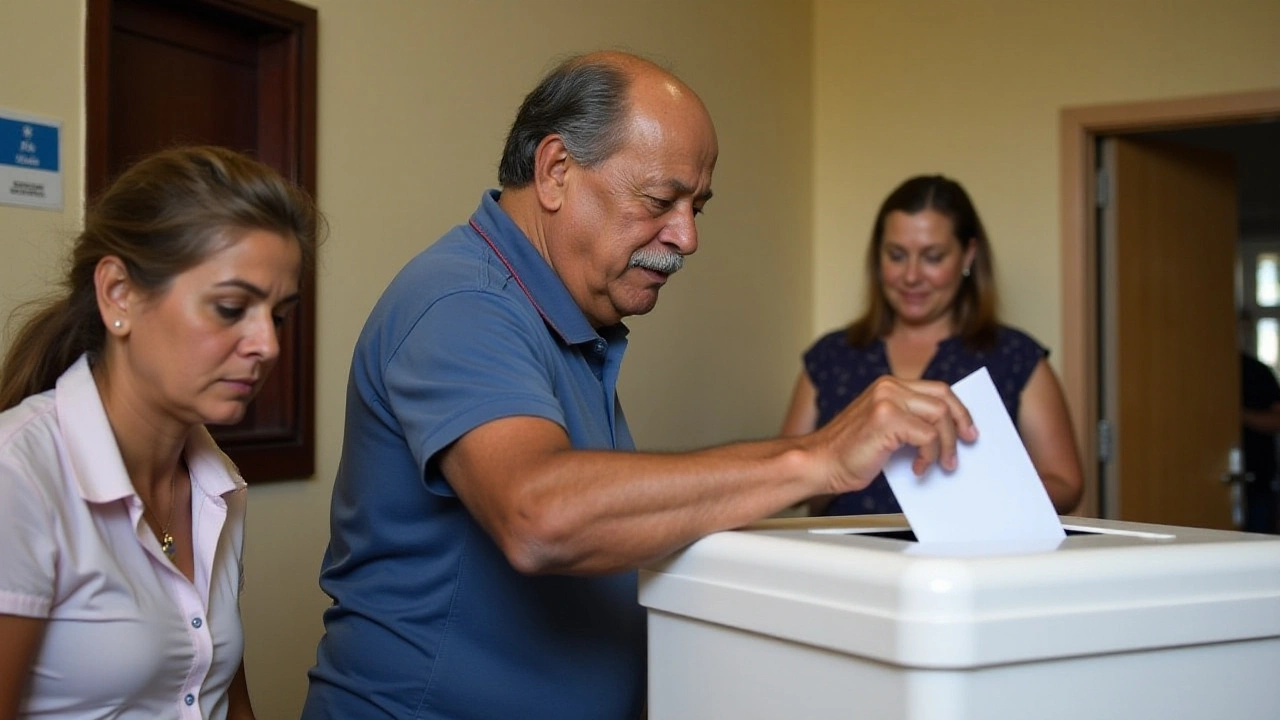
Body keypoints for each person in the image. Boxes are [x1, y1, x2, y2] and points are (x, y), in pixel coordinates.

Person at [302, 51, 975, 720]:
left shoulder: (569, 316)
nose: (685, 236)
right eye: (660, 200)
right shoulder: (461, 301)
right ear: (557, 171)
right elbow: (541, 517)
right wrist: (818, 457)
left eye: (696, 207)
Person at [0, 145, 319, 719]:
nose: (267, 346)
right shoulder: (19, 475)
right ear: (118, 294)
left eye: (278, 315)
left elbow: (222, 696)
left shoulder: (217, 485)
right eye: (230, 307)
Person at [780, 174, 1083, 517]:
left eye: (933, 257)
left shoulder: (1016, 358)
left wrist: (985, 498)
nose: (911, 276)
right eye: (896, 255)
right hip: (845, 563)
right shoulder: (830, 357)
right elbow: (784, 481)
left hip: (971, 564)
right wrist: (829, 469)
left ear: (967, 255)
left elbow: (1066, 483)